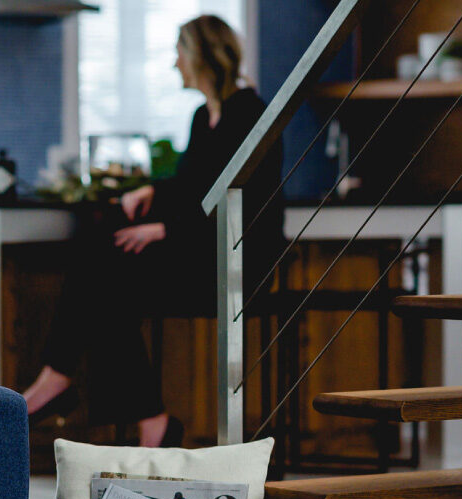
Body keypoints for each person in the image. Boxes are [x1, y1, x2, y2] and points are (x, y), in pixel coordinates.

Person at [21, 15, 285, 447]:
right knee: (103, 274)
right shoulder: (205, 116)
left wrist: (165, 230)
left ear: (200, 56)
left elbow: (242, 201)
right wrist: (152, 190)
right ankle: (139, 416)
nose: (174, 63)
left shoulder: (250, 114)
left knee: (104, 282)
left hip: (235, 265)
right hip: (200, 255)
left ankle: (69, 385)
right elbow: (195, 186)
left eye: (179, 53)